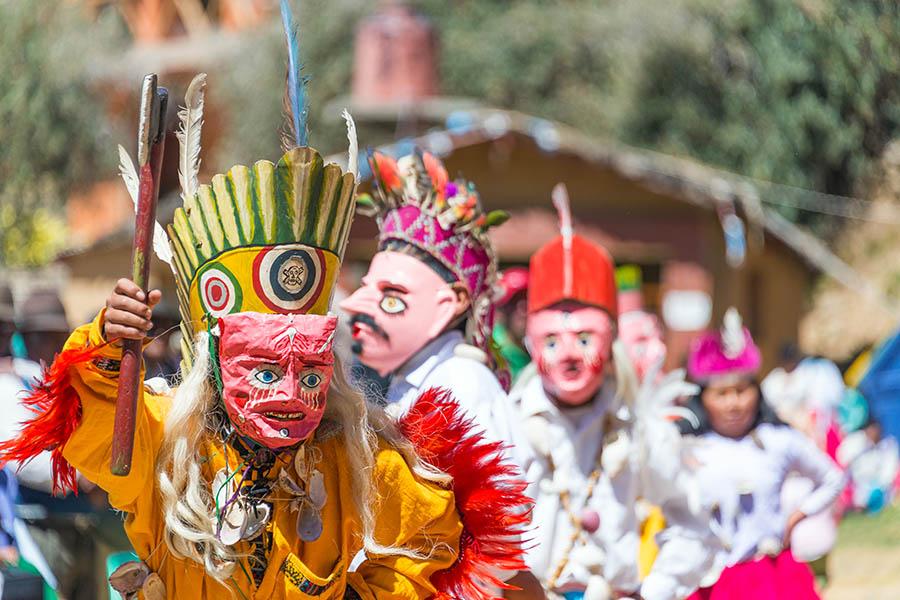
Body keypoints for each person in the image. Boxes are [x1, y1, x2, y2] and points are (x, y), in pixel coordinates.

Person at [0, 39, 531, 598]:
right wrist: (110, 341)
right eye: (264, 370)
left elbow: (432, 538)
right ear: (218, 358)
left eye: (309, 373)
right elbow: (87, 420)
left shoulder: (355, 454)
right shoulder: (163, 440)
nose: (291, 394)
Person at [339, 151, 543, 598]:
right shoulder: (407, 383)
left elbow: (499, 539)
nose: (356, 304)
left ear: (450, 303)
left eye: (391, 295)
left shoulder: (461, 386)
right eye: (367, 288)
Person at [512, 184, 715, 600]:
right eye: (552, 340)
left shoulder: (640, 431)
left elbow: (693, 520)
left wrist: (658, 588)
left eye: (585, 337)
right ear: (531, 344)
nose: (568, 354)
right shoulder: (507, 427)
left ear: (612, 340)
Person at [682, 308, 845, 600]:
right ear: (702, 399)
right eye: (721, 394)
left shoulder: (778, 441)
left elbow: (832, 478)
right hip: (710, 579)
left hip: (771, 577)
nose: (734, 403)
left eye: (742, 390)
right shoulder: (688, 449)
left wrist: (796, 517)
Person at [494, 267, 532, 382]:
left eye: (527, 299)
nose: (523, 309)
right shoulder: (491, 352)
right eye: (513, 302)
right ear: (501, 308)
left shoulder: (537, 349)